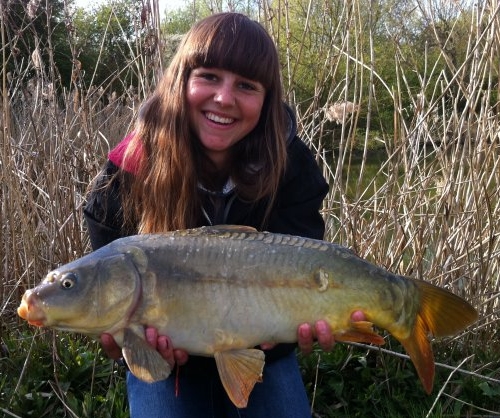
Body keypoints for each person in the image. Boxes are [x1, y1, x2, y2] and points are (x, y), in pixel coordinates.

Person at [84, 12, 365, 418]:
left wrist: (289, 336)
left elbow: (307, 271)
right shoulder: (123, 176)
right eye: (209, 76)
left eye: (246, 86)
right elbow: (110, 307)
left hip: (263, 353)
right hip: (169, 367)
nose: (224, 98)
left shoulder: (294, 168)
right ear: (181, 80)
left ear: (267, 99)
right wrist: (128, 342)